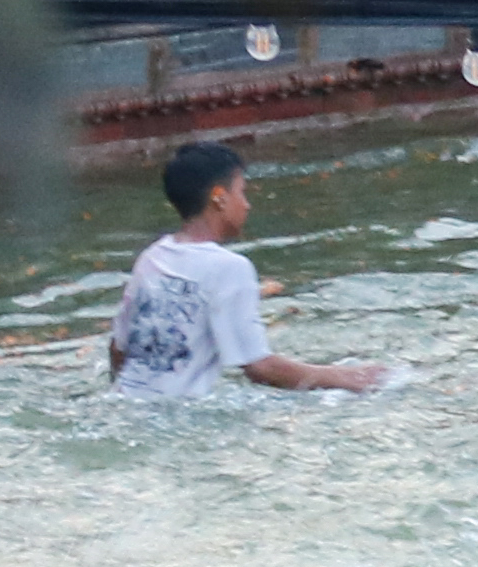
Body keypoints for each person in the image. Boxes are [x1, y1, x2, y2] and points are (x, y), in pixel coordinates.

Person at [108, 141, 389, 397]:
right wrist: (345, 377)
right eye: (241, 192)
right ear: (219, 197)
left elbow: (118, 349)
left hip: (123, 403)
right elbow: (260, 368)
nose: (247, 205)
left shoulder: (152, 257)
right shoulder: (229, 267)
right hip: (171, 421)